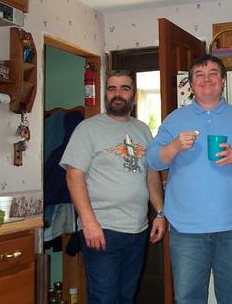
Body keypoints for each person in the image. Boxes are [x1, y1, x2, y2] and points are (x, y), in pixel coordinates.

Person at [147, 54, 232, 304]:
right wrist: (174, 146)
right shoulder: (175, 119)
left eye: (213, 73)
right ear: (191, 83)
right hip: (186, 229)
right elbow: (153, 161)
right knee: (188, 299)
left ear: (223, 80)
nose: (206, 79)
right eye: (199, 75)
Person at [61, 69, 166, 304]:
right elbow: (73, 177)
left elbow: (151, 175)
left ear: (134, 96)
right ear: (105, 94)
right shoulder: (88, 129)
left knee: (126, 297)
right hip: (102, 230)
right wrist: (89, 223)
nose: (117, 94)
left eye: (124, 88)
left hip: (137, 231)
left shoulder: (142, 129)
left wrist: (160, 213)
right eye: (112, 89)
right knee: (105, 299)